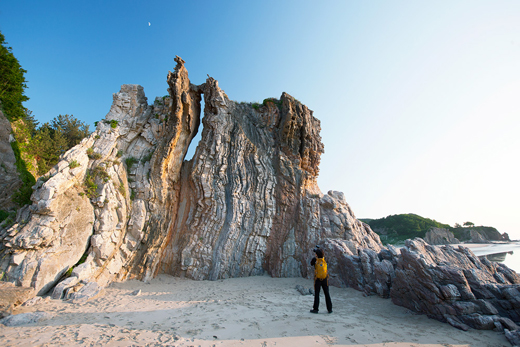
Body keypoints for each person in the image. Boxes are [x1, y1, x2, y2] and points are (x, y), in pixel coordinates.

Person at [310, 247, 332, 314]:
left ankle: (316, 309)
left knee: (317, 294)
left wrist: (315, 257)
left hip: (318, 279)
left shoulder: (315, 260)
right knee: (327, 293)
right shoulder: (324, 259)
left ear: (316, 254)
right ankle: (330, 309)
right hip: (325, 279)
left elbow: (311, 264)